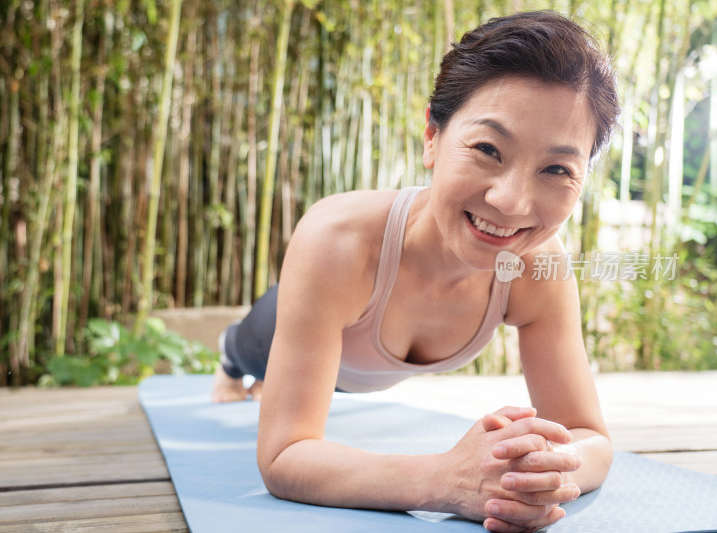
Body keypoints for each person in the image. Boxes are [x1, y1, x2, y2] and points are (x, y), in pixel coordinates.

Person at [212, 10, 619, 532]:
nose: (512, 202)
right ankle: (229, 358)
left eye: (557, 169)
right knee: (250, 348)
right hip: (282, 335)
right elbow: (285, 456)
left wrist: (544, 471)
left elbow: (590, 436)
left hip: (357, 377)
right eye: (488, 149)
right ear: (432, 135)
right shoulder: (337, 241)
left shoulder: (539, 268)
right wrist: (445, 479)